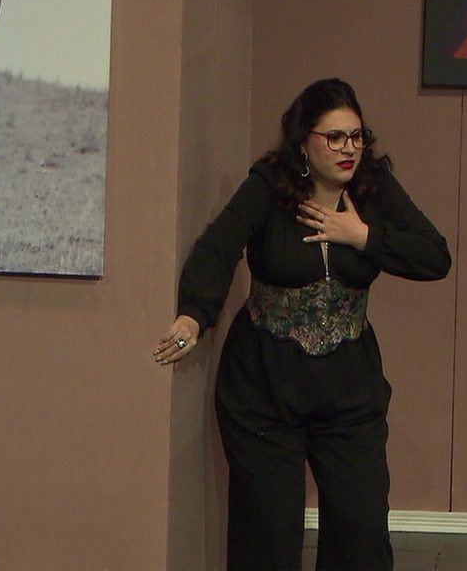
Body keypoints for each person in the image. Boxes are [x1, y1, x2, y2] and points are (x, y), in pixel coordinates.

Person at [153, 78, 451, 571]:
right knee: (267, 539)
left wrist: (362, 236)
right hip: (264, 390)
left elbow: (434, 256)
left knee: (361, 535)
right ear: (303, 143)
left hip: (349, 392)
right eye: (334, 137)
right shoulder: (270, 186)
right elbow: (217, 248)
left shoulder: (372, 188)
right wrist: (195, 314)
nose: (348, 148)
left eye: (356, 136)